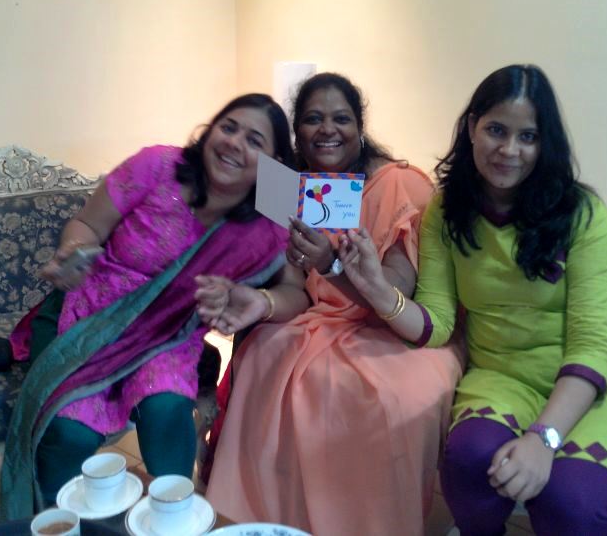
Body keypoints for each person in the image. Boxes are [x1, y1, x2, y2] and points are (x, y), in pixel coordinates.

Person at [339, 65, 607, 535]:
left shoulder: (582, 214)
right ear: (472, 127)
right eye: (496, 130)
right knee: (469, 460)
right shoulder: (447, 209)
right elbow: (438, 323)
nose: (509, 150)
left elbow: (594, 345)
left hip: (593, 385)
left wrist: (543, 439)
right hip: (502, 377)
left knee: (570, 500)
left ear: (545, 143)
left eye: (528, 136)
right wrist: (377, 289)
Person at [0, 93, 296, 520]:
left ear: (274, 163)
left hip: (167, 335)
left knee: (167, 409)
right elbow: (87, 225)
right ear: (211, 130)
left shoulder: (277, 204)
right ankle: (54, 522)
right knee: (68, 432)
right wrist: (75, 251)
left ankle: (176, 519)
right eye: (228, 127)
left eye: (255, 140)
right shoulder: (158, 165)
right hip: (91, 318)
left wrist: (260, 300)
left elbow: (296, 291)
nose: (234, 143)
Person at [195, 73, 463, 535]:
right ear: (296, 133)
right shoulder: (285, 187)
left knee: (390, 396)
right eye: (312, 119)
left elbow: (398, 295)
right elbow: (293, 289)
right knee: (263, 356)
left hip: (395, 324)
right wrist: (261, 302)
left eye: (341, 119)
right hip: (314, 318)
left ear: (360, 127)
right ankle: (269, 519)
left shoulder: (397, 184)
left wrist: (333, 264)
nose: (327, 130)